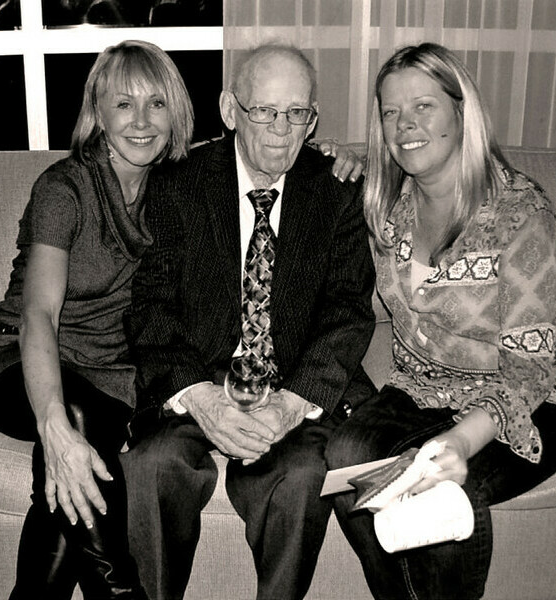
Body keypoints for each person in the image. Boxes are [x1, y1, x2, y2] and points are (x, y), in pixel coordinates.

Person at [122, 43, 377, 600]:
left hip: (287, 384)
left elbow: (348, 309)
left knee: (303, 476)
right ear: (230, 109)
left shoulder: (336, 189)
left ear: (313, 118)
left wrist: (292, 402)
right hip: (199, 377)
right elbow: (151, 306)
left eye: (297, 113)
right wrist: (201, 397)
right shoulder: (177, 183)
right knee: (152, 466)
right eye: (264, 111)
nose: (283, 130)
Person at [325, 42, 556, 600]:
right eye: (390, 112)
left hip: (528, 398)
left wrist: (461, 442)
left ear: (462, 112)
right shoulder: (389, 206)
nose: (405, 124)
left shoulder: (519, 213)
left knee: (442, 496)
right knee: (345, 459)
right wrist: (327, 156)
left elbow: (530, 370)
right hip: (422, 390)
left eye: (424, 107)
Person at [0, 39, 194, 599]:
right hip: (14, 358)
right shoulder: (64, 189)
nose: (141, 122)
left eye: (156, 104)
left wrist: (338, 153)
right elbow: (38, 315)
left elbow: (260, 148)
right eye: (124, 104)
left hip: (111, 382)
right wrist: (53, 424)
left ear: (175, 112)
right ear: (98, 112)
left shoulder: (179, 187)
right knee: (76, 424)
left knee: (78, 447)